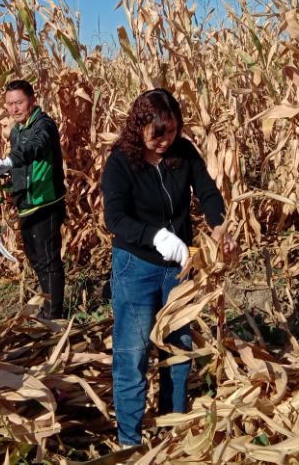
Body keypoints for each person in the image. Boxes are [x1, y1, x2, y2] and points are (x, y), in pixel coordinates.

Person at [101, 88, 238, 448]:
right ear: (139, 127)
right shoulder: (121, 162)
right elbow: (115, 219)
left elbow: (208, 194)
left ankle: (172, 430)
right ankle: (130, 441)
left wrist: (220, 227)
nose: (166, 141)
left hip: (180, 270)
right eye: (158, 133)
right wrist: (155, 237)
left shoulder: (183, 153)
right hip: (136, 268)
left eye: (172, 131)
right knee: (133, 355)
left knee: (177, 352)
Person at [0, 79, 67, 319]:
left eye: (19, 103)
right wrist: (3, 175)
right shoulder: (17, 130)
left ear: (32, 101)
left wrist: (10, 162)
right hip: (26, 204)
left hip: (45, 203)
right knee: (35, 258)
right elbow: (19, 164)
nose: (14, 109)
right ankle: (48, 302)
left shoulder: (43, 125)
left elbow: (36, 148)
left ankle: (54, 315)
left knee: (48, 259)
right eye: (10, 104)